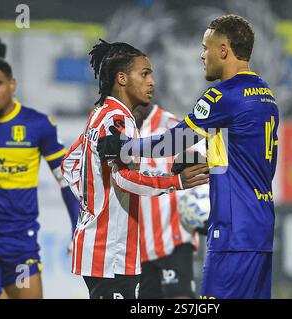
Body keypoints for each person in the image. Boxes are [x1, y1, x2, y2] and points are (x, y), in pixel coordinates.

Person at [97, 14, 279, 299]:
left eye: (206, 47)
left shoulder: (222, 96)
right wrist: (200, 160)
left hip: (232, 231)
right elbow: (240, 157)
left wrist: (124, 147)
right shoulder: (265, 96)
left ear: (224, 50)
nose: (202, 55)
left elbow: (173, 140)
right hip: (260, 228)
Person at [60, 39, 209, 299]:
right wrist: (176, 181)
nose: (152, 81)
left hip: (99, 245)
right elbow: (124, 180)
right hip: (112, 251)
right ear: (122, 78)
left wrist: (93, 206)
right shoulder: (119, 120)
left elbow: (69, 164)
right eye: (144, 74)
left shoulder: (100, 114)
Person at [0, 58, 80, 299]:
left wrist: (77, 228)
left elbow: (66, 180)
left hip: (21, 245)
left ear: (12, 84)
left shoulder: (38, 125)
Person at [133, 104, 202, 299]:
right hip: (138, 249)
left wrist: (205, 204)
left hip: (173, 240)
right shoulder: (117, 128)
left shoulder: (169, 124)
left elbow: (203, 164)